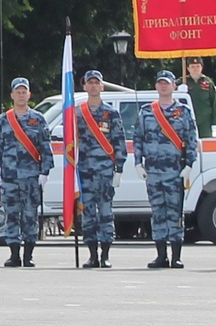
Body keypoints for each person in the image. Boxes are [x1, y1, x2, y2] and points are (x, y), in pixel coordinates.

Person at [137, 69, 199, 268]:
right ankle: (161, 255)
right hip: (153, 171)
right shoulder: (147, 111)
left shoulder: (183, 111)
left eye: (167, 83)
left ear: (174, 86)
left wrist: (189, 164)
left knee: (175, 213)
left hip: (175, 170)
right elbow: (138, 138)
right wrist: (138, 162)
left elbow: (191, 139)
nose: (164, 86)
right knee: (158, 213)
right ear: (156, 86)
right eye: (160, 83)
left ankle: (176, 255)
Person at [0, 77, 50, 267]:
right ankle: (14, 253)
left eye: (24, 92)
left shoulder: (38, 119)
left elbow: (45, 147)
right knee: (11, 214)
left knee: (30, 215)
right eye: (18, 92)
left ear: (29, 95)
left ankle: (29, 254)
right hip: (9, 176)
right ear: (12, 95)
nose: (21, 95)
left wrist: (45, 171)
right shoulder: (4, 119)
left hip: (31, 176)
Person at [71, 69, 125, 269]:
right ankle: (92, 254)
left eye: (97, 82)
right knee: (88, 214)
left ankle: (105, 254)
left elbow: (118, 141)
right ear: (84, 86)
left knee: (105, 212)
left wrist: (119, 168)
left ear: (102, 86)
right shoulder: (76, 113)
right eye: (90, 82)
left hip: (104, 170)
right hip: (84, 170)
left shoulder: (111, 113)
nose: (93, 86)